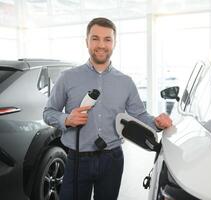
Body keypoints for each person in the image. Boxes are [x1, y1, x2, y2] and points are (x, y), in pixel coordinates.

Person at [43, 17, 172, 200]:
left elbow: (139, 114)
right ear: (86, 41)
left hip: (112, 159)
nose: (101, 45)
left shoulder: (125, 82)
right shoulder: (67, 78)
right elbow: (48, 112)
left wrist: (157, 123)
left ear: (114, 43)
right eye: (95, 38)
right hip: (78, 159)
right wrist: (67, 119)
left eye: (107, 39)